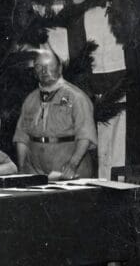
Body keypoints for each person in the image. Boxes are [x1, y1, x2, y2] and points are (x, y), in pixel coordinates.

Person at [13, 47, 96, 179]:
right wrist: (22, 166)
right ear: (34, 71)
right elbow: (21, 137)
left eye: (49, 65)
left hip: (69, 172)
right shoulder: (30, 100)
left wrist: (72, 165)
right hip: (36, 172)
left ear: (60, 68)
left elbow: (85, 136)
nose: (44, 71)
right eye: (39, 67)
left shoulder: (76, 97)